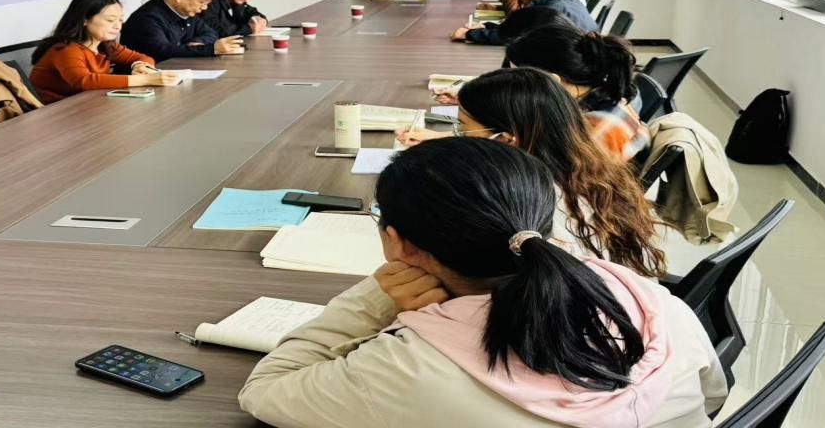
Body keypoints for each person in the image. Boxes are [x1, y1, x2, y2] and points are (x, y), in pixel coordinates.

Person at [239, 138, 727, 428]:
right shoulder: (647, 297)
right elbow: (712, 398)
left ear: (398, 243)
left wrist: (380, 295)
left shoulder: (405, 370)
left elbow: (265, 391)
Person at [398, 68, 666, 277]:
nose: (459, 135)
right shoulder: (588, 169)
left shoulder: (523, 208)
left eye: (463, 128)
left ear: (505, 139)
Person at [506, 24, 650, 161]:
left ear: (552, 78)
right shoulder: (603, 92)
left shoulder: (592, 128)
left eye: (521, 78)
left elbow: (551, 173)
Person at [29, 0, 180, 104]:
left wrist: (140, 65)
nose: (117, 26)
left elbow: (142, 57)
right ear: (85, 20)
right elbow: (84, 81)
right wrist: (145, 79)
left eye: (120, 20)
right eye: (110, 20)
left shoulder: (105, 45)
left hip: (89, 105)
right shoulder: (65, 49)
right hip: (56, 113)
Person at [120, 0, 244, 61]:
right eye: (202, 2)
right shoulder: (148, 18)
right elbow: (162, 51)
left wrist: (195, 44)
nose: (205, 8)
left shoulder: (187, 11)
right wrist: (210, 49)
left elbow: (210, 33)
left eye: (207, 3)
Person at [449, 5, 575, 45]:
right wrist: (487, 26)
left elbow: (509, 36)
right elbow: (514, 29)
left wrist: (469, 34)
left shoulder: (555, 5)